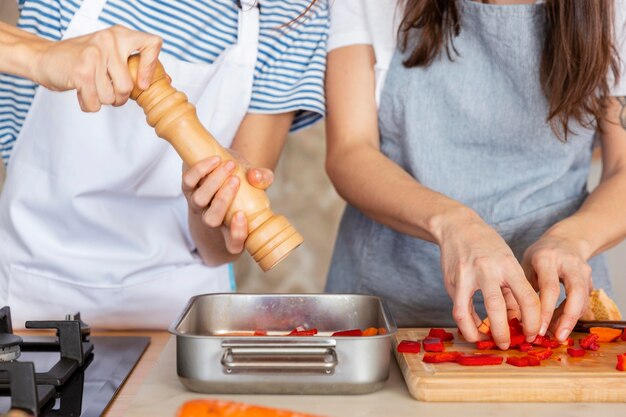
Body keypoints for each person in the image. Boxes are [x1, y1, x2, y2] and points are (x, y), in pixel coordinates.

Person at [0, 0, 328, 328]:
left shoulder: (292, 11)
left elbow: (220, 249)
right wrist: (39, 55)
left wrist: (212, 203)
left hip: (178, 320)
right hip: (30, 300)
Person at [325, 0, 626, 349]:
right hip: (389, 303)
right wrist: (454, 224)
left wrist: (572, 240)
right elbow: (350, 152)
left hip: (557, 311)